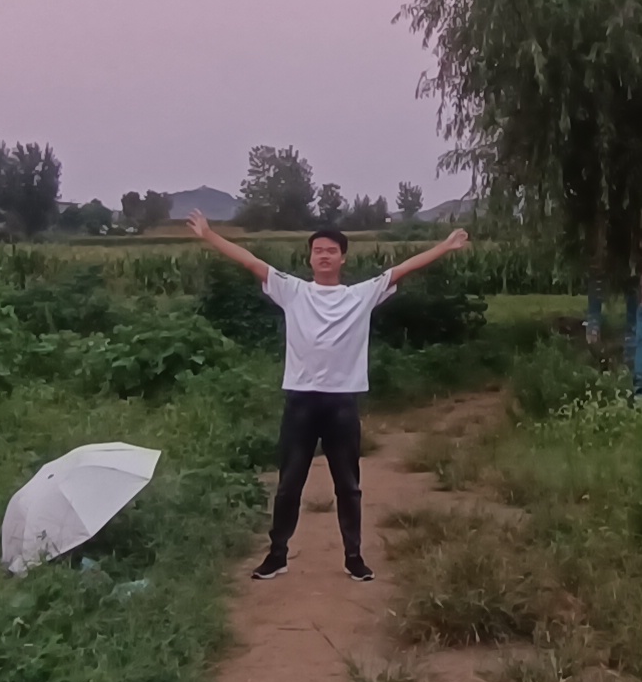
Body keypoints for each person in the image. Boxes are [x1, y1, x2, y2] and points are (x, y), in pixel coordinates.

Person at [185, 210, 471, 580]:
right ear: (310, 258)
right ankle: (277, 555)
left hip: (342, 403)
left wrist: (445, 246)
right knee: (289, 484)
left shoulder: (360, 295)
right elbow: (251, 262)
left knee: (348, 486)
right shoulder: (293, 291)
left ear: (342, 258)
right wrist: (209, 234)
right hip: (301, 401)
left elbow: (403, 269)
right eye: (318, 250)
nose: (324, 255)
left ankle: (354, 557)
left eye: (331, 250)